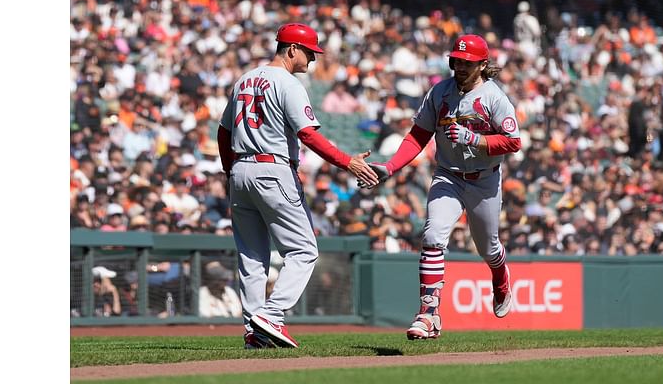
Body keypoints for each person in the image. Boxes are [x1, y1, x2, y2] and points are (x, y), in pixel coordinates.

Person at [217, 22, 379, 349]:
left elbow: (223, 133)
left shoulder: (244, 79)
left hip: (241, 170)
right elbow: (307, 134)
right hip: (273, 169)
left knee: (251, 256)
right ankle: (272, 315)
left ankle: (254, 330)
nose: (313, 60)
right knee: (304, 250)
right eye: (309, 52)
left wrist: (229, 173)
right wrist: (347, 161)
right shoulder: (287, 83)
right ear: (292, 49)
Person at [360, 34, 522, 340]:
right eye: (456, 61)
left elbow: (513, 141)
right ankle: (429, 314)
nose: (460, 66)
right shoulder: (440, 92)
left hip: (484, 180)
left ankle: (500, 276)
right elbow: (418, 135)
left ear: (482, 65)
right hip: (448, 175)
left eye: (467, 62)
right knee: (433, 237)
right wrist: (390, 167)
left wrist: (475, 139)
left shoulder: (495, 98)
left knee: (488, 248)